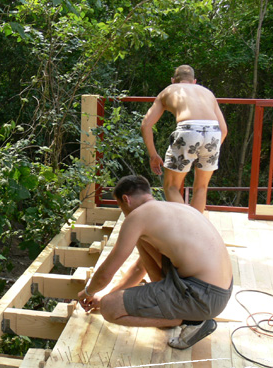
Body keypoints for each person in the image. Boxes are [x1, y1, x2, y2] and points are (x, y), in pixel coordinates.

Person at [77, 175, 233, 349]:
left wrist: (88, 292)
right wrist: (106, 294)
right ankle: (174, 313)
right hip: (219, 291)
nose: (124, 213)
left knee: (109, 307)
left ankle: (193, 321)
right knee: (142, 240)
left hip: (202, 296)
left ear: (126, 199)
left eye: (121, 207)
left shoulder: (137, 217)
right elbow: (139, 268)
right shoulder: (174, 208)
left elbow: (105, 275)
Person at [141, 64, 227, 213]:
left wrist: (153, 155)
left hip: (189, 130)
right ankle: (195, 225)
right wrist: (211, 150)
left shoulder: (169, 90)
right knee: (201, 187)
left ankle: (184, 223)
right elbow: (224, 130)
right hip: (214, 133)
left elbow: (146, 125)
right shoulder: (207, 93)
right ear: (194, 81)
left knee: (171, 186)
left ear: (173, 80)